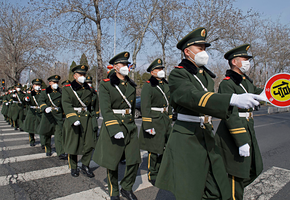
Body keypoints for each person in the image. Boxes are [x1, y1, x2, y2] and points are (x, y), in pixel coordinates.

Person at [155, 27, 266, 200]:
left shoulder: (206, 76)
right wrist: (232, 99)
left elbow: (213, 105)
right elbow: (191, 96)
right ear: (187, 51)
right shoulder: (178, 74)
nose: (204, 52)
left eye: (205, 48)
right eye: (200, 48)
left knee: (218, 188)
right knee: (190, 191)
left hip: (206, 134)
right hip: (187, 137)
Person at [215, 44, 263, 200]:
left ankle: (224, 192)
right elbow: (230, 114)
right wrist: (241, 140)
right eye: (244, 59)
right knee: (236, 174)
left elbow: (262, 94)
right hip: (234, 133)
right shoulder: (227, 83)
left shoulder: (246, 82)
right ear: (234, 62)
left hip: (248, 127)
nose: (247, 62)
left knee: (255, 168)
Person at [93, 52, 141, 200]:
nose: (127, 67)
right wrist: (114, 129)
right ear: (115, 67)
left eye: (128, 64)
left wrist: (131, 124)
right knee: (112, 161)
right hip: (114, 125)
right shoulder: (107, 84)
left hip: (129, 126)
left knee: (134, 160)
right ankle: (114, 191)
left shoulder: (131, 86)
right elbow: (106, 109)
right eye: (124, 64)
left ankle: (126, 188)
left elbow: (132, 109)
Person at [138, 58, 172, 186]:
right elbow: (145, 106)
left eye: (162, 69)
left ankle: (161, 169)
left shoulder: (166, 84)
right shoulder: (148, 85)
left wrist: (169, 117)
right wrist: (148, 124)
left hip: (165, 120)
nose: (161, 71)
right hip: (154, 119)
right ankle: (152, 173)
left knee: (166, 147)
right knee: (153, 149)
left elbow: (170, 103)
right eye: (158, 69)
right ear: (152, 72)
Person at [62, 65, 99, 178]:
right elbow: (66, 104)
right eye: (80, 74)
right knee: (73, 144)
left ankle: (85, 165)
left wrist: (95, 117)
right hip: (74, 118)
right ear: (74, 76)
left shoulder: (89, 89)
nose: (82, 76)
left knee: (89, 143)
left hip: (87, 118)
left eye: (84, 74)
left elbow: (94, 103)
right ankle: (73, 167)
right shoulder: (68, 89)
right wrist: (73, 118)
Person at [38, 75, 66, 158]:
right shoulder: (45, 92)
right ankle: (48, 148)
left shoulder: (60, 92)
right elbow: (41, 101)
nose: (55, 84)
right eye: (54, 82)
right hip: (48, 115)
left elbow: (63, 104)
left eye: (57, 82)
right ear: (50, 83)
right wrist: (45, 108)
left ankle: (60, 152)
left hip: (58, 114)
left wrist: (64, 115)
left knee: (59, 134)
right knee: (47, 133)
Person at [22, 79, 43, 147]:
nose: (37, 86)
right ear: (33, 86)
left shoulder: (43, 93)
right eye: (36, 85)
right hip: (32, 112)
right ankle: (32, 140)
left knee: (42, 127)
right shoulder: (30, 93)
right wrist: (26, 99)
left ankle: (43, 142)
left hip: (40, 111)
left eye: (39, 85)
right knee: (31, 127)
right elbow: (25, 99)